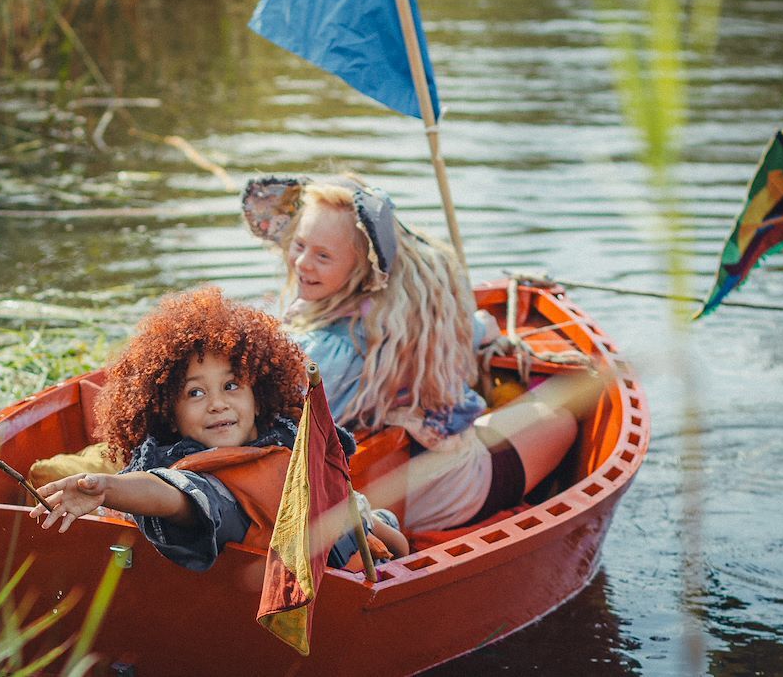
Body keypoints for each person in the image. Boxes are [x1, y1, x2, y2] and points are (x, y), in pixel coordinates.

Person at [242, 176, 580, 532]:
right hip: (440, 491)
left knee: (544, 418)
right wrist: (484, 329)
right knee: (559, 417)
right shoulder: (406, 319)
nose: (302, 264)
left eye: (323, 255)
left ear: (361, 267)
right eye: (299, 245)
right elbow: (459, 332)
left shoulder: (327, 347)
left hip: (402, 490)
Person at [29, 287, 409, 571]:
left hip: (351, 558)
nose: (217, 403)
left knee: (385, 528)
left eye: (231, 386)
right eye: (195, 392)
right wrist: (109, 488)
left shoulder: (289, 438)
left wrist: (364, 518)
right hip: (300, 584)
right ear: (169, 414)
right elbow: (177, 496)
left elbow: (354, 509)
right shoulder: (199, 473)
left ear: (258, 395)